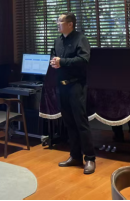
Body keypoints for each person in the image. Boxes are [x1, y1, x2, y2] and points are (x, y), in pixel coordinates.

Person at [50, 13, 96, 175]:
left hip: (76, 86)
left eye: (60, 21)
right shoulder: (57, 40)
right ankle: (75, 156)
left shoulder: (80, 39)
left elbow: (84, 60)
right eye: (57, 21)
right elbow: (53, 55)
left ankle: (90, 158)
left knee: (80, 122)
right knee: (69, 122)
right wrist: (53, 61)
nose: (58, 23)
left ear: (70, 24)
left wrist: (62, 62)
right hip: (61, 86)